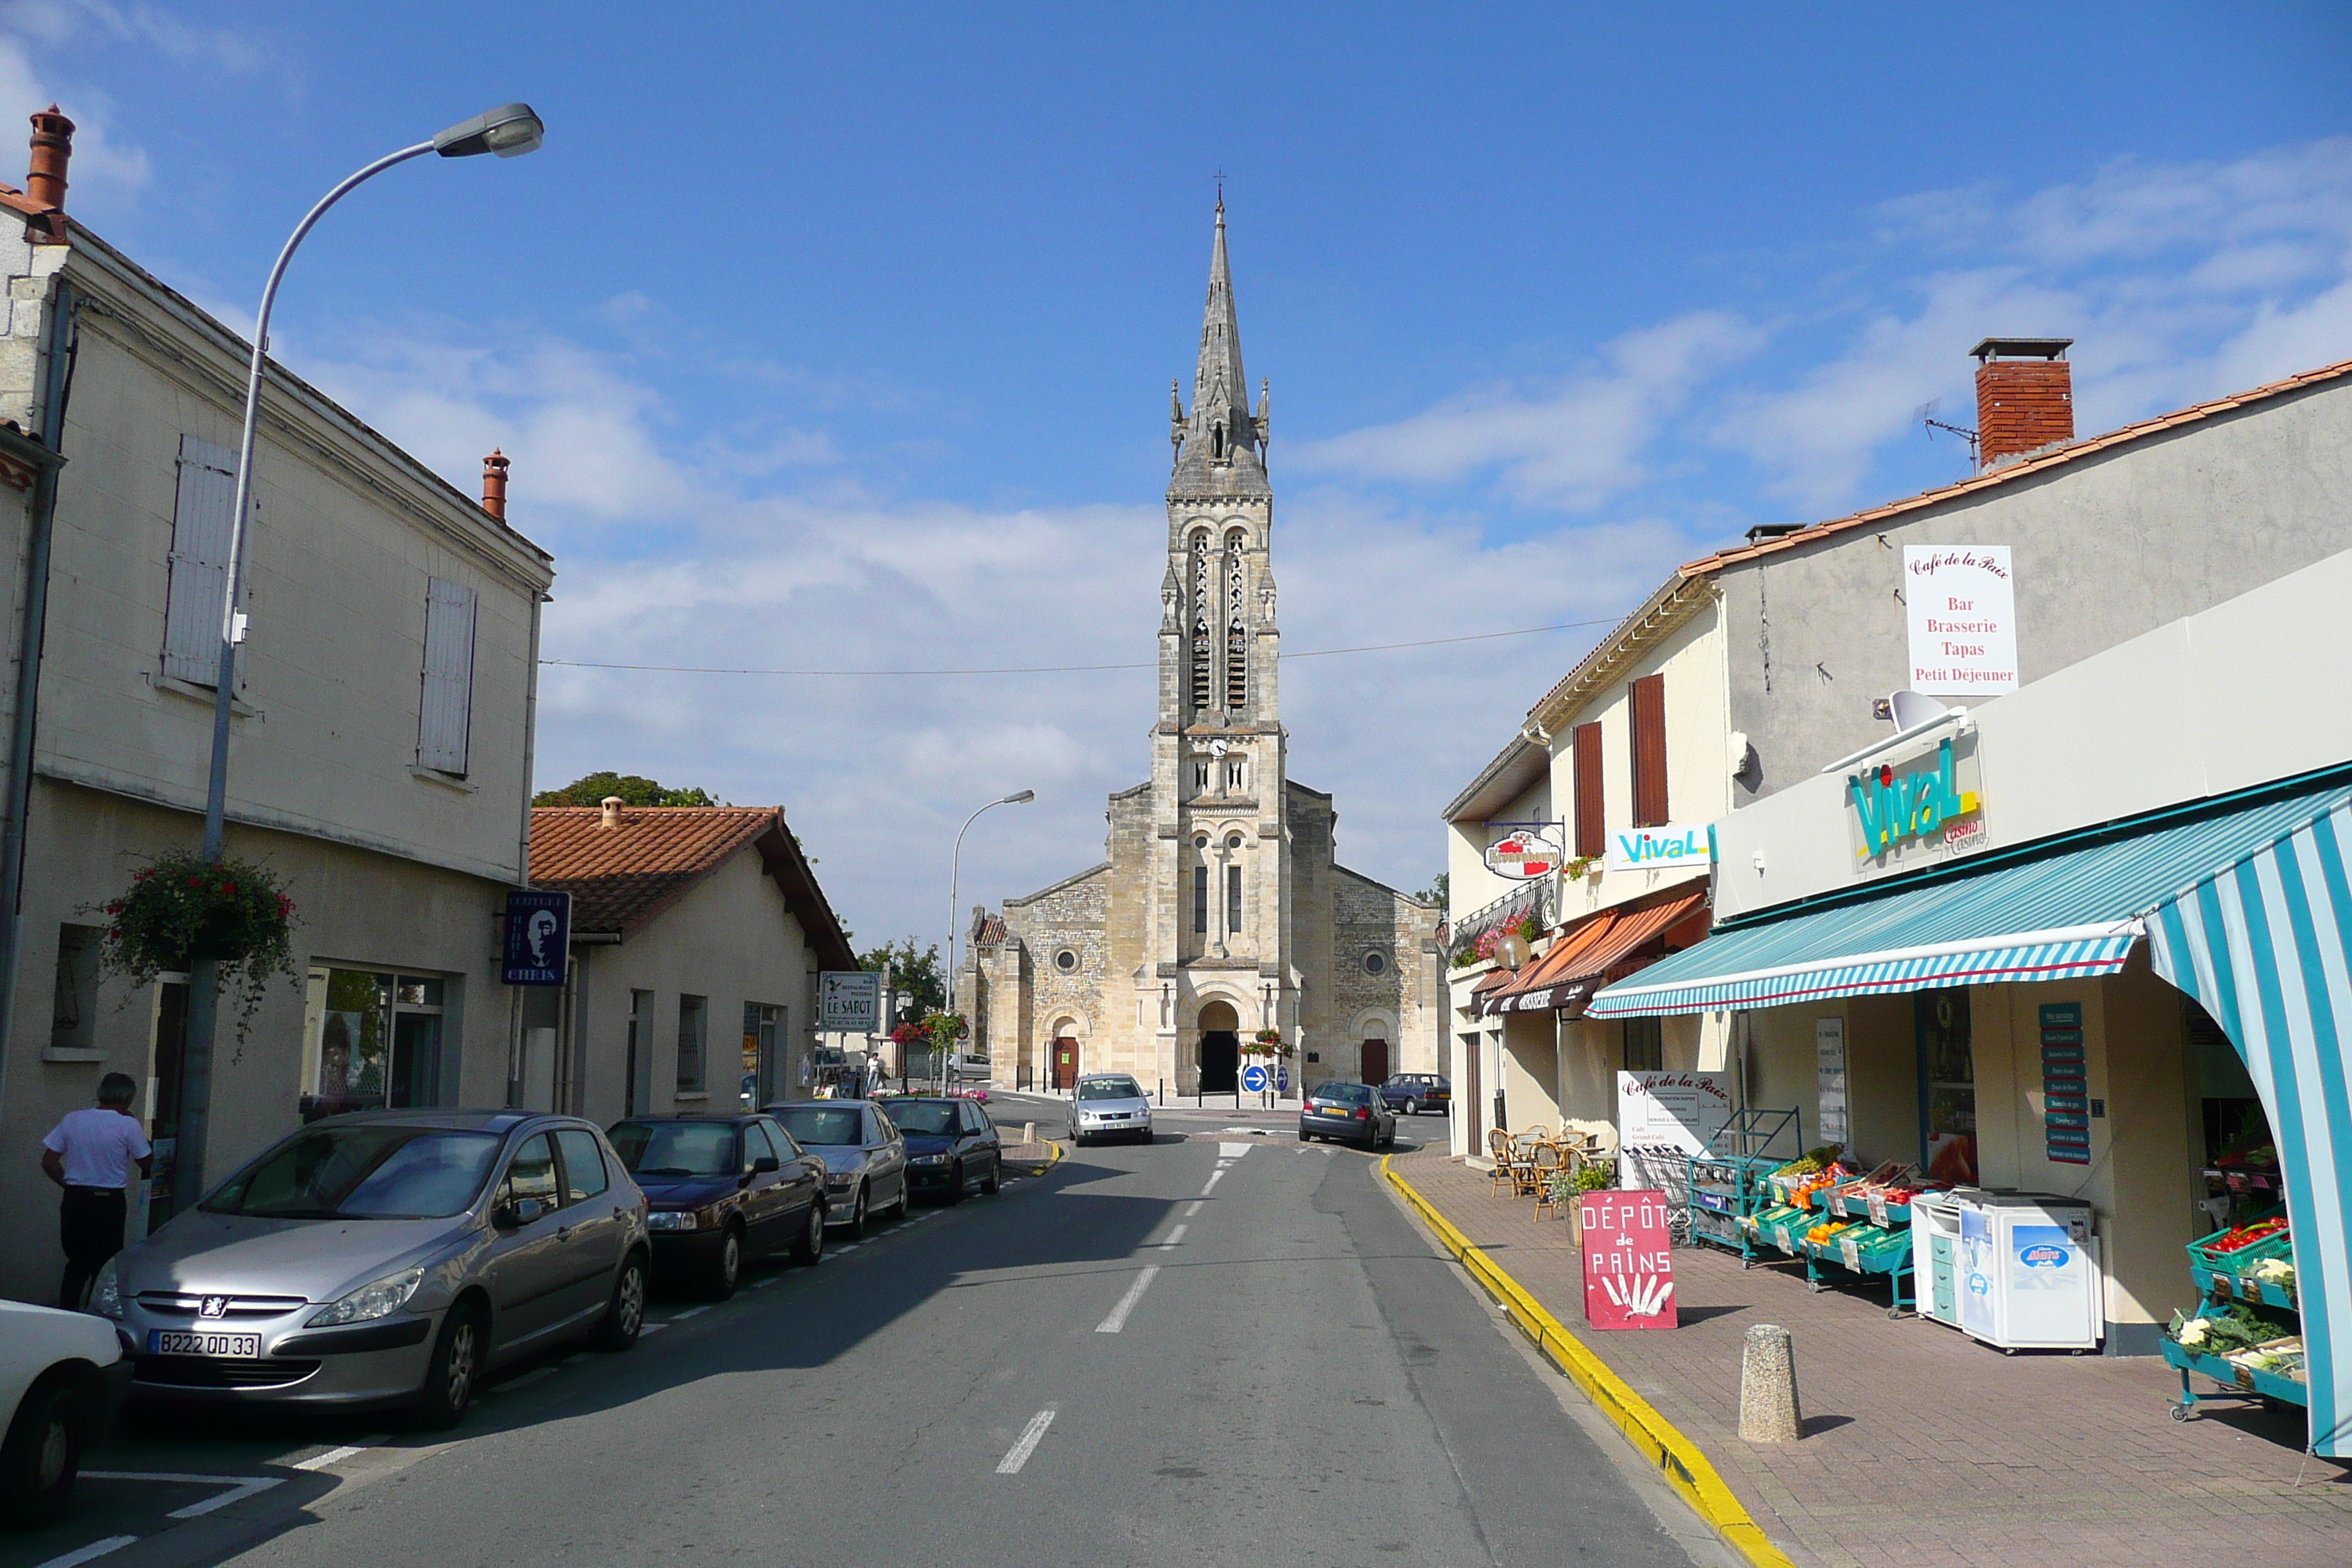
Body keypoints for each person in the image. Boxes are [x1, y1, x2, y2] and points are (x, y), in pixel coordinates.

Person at [41, 1071, 151, 1311]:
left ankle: (68, 1312)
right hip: (108, 1201)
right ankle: (97, 1316)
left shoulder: (73, 1119)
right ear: (128, 1098)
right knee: (104, 1266)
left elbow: (49, 1161)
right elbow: (146, 1162)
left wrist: (68, 1185)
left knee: (76, 1262)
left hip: (76, 1199)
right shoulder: (127, 1124)